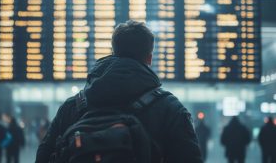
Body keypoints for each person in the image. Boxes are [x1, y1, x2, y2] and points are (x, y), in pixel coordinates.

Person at [35, 20, 203, 163]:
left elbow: (43, 157)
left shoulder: (72, 107)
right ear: (149, 58)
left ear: (114, 52)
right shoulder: (170, 109)